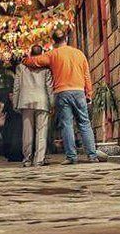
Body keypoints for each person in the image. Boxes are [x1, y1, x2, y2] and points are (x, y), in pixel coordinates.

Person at [24, 27, 107, 165]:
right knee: (84, 123)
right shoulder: (79, 54)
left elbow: (35, 61)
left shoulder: (52, 54)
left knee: (66, 124)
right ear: (66, 39)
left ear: (54, 41)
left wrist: (25, 60)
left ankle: (71, 157)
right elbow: (86, 74)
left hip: (62, 93)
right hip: (79, 91)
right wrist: (89, 93)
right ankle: (92, 156)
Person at [13, 45, 53, 167]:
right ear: (42, 54)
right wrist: (52, 104)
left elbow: (17, 86)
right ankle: (39, 160)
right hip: (42, 101)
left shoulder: (21, 67)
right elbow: (49, 87)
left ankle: (27, 160)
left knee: (27, 132)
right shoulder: (46, 69)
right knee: (41, 132)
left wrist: (15, 102)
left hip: (25, 101)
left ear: (30, 53)